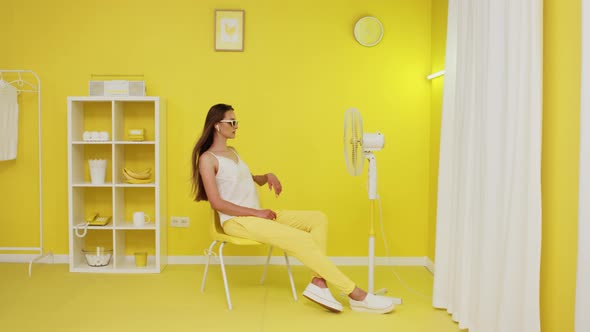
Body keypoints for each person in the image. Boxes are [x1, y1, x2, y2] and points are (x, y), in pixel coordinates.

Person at [191, 103, 396, 314]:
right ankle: (356, 294)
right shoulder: (207, 159)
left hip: (258, 217)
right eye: (232, 122)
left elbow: (242, 179)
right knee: (302, 239)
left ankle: (318, 282)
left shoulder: (232, 151)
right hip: (237, 221)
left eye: (237, 122)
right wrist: (257, 213)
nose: (237, 126)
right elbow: (217, 202)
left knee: (318, 218)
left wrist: (266, 176)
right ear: (217, 125)